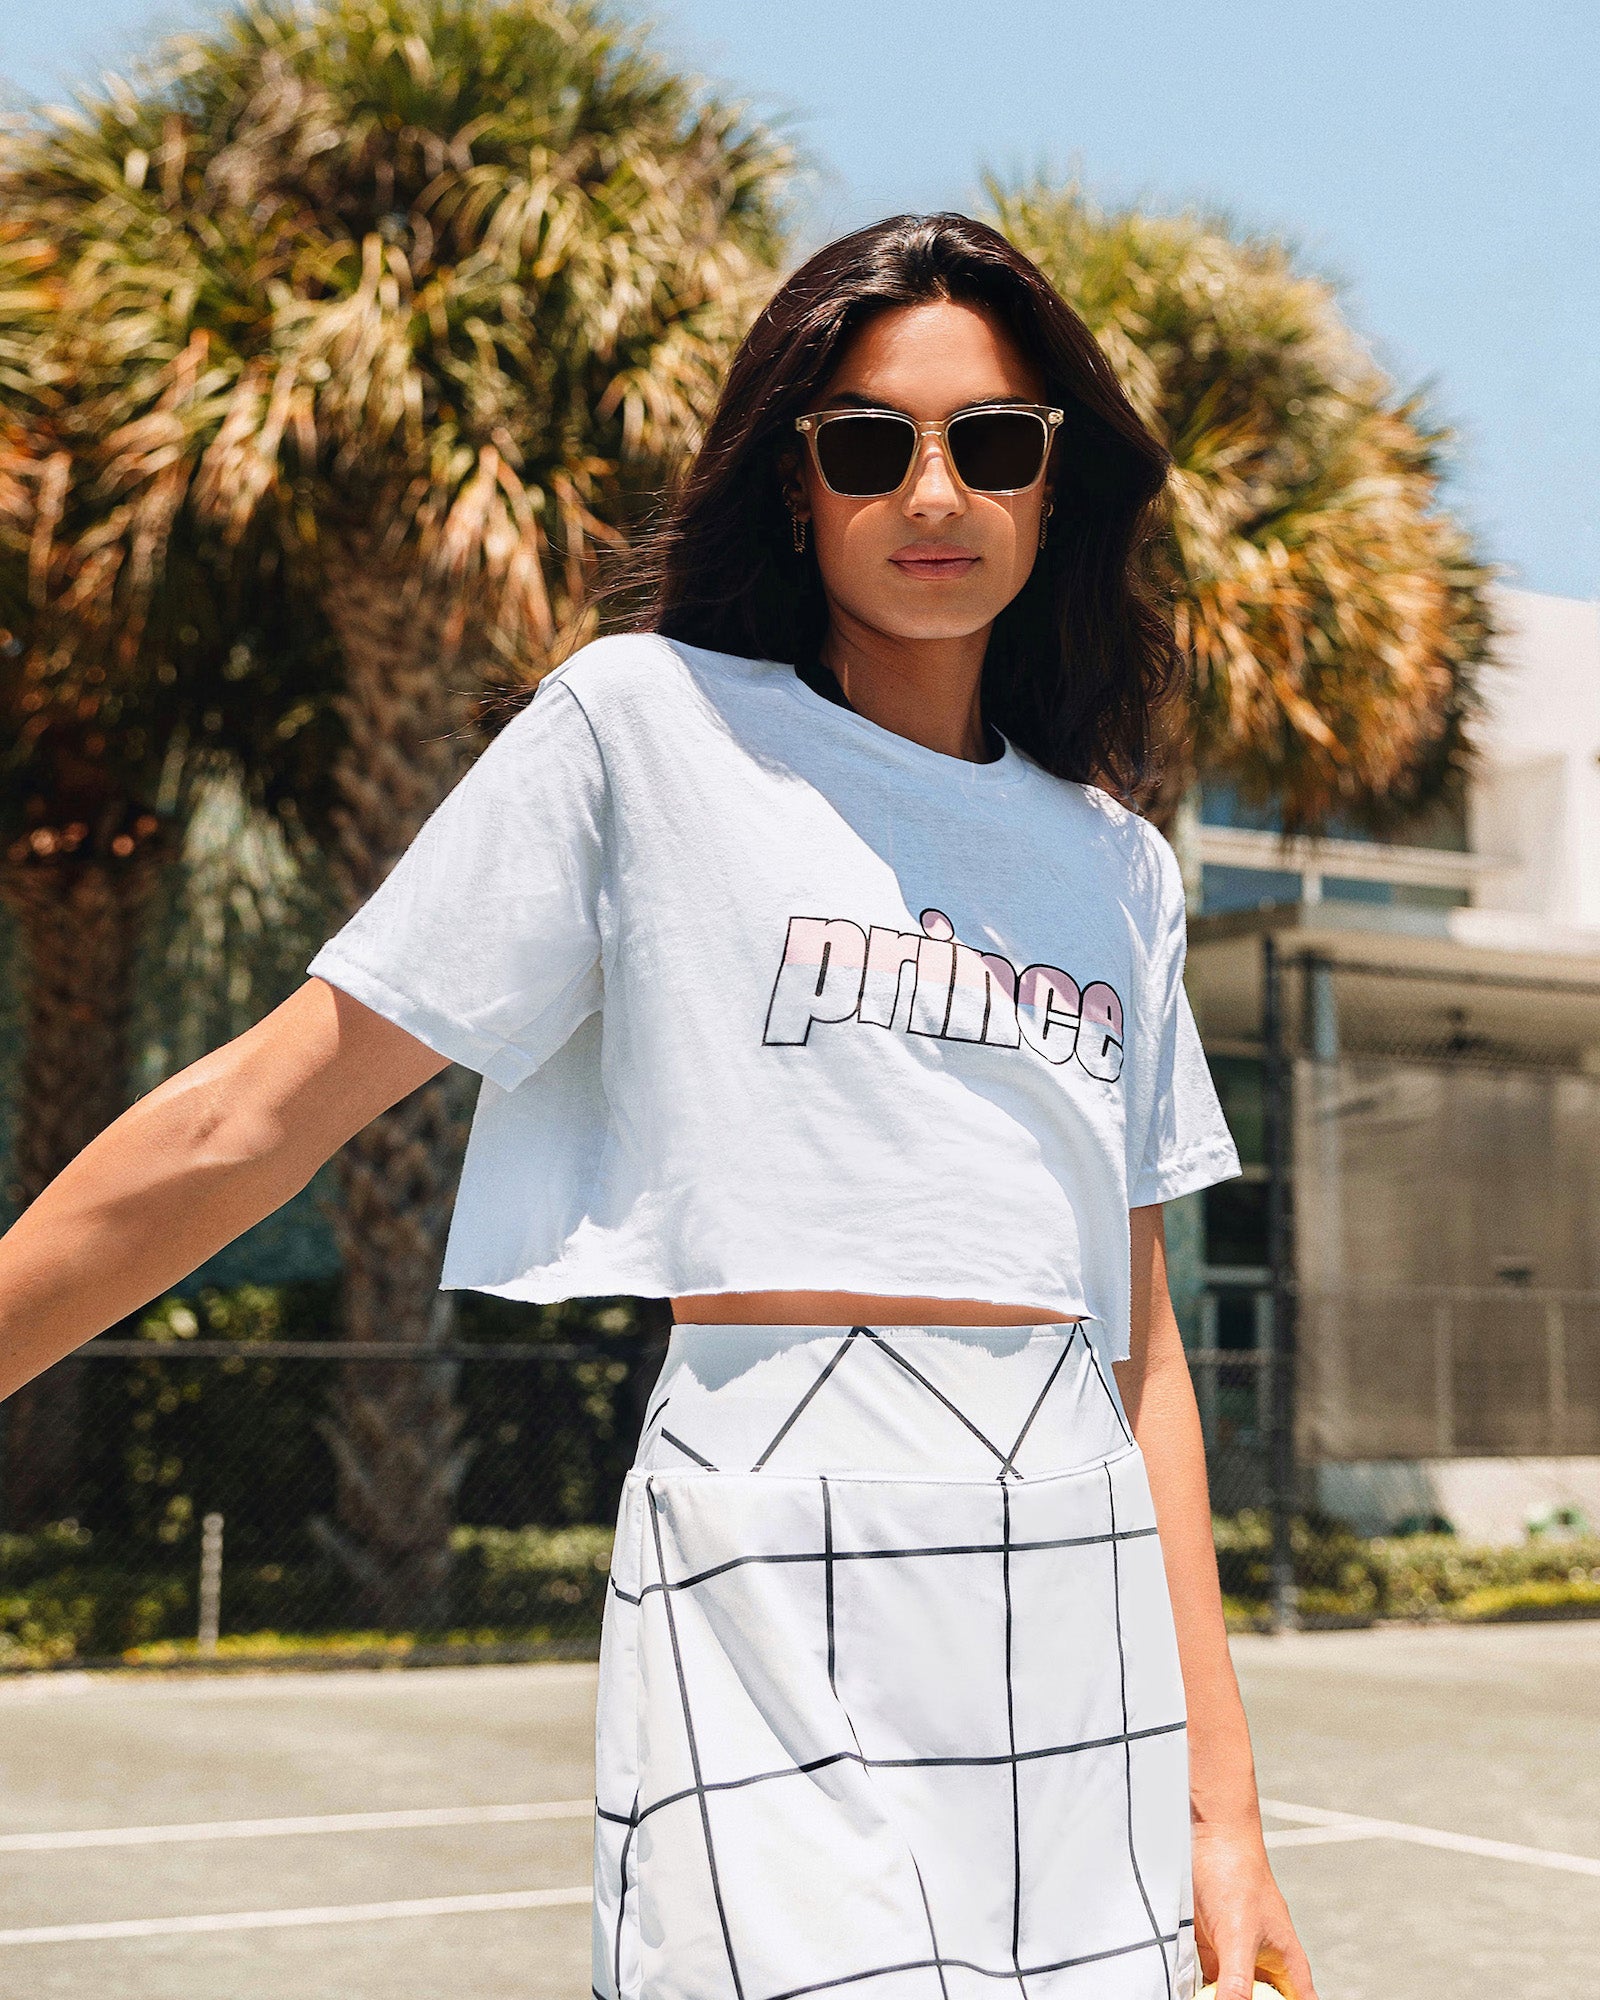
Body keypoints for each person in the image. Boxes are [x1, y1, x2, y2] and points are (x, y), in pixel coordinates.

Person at [0, 212, 1318, 2000]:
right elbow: (264, 1111)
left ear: (1051, 487)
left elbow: (1145, 1351)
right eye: (871, 442)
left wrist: (1225, 1815)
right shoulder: (642, 730)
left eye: (992, 442)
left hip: (1070, 1566)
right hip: (766, 1547)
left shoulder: (1117, 868)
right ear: (798, 486)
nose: (934, 489)